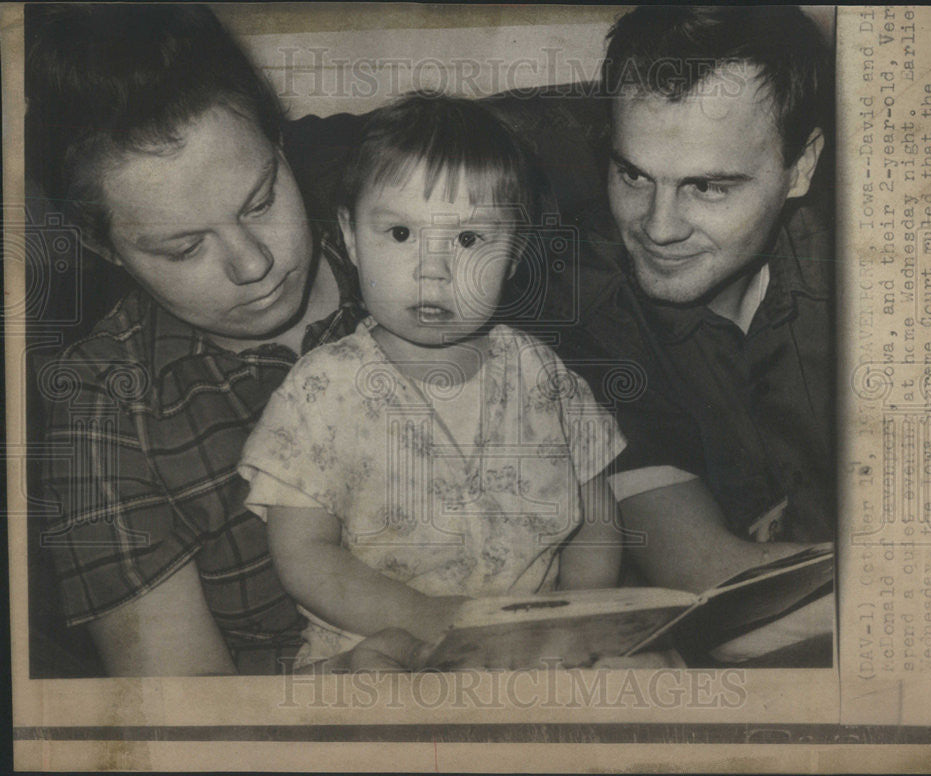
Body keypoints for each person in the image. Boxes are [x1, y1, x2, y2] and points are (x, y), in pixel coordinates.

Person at [29, 4, 413, 675]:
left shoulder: (413, 236)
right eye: (184, 247)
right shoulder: (104, 409)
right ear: (105, 248)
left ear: (281, 143)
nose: (253, 264)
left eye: (260, 201)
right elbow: (185, 718)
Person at [238, 95, 625, 670]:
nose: (433, 268)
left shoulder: (545, 378)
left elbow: (597, 519)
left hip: (532, 655)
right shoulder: (321, 390)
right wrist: (439, 622)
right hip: (376, 649)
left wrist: (577, 617)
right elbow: (305, 556)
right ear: (349, 237)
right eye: (400, 234)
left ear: (515, 251)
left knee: (648, 672)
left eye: (469, 240)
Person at [546, 6, 836, 601]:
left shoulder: (892, 277)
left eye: (707, 186)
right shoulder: (585, 310)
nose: (658, 228)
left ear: (801, 166)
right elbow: (709, 588)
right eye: (633, 176)